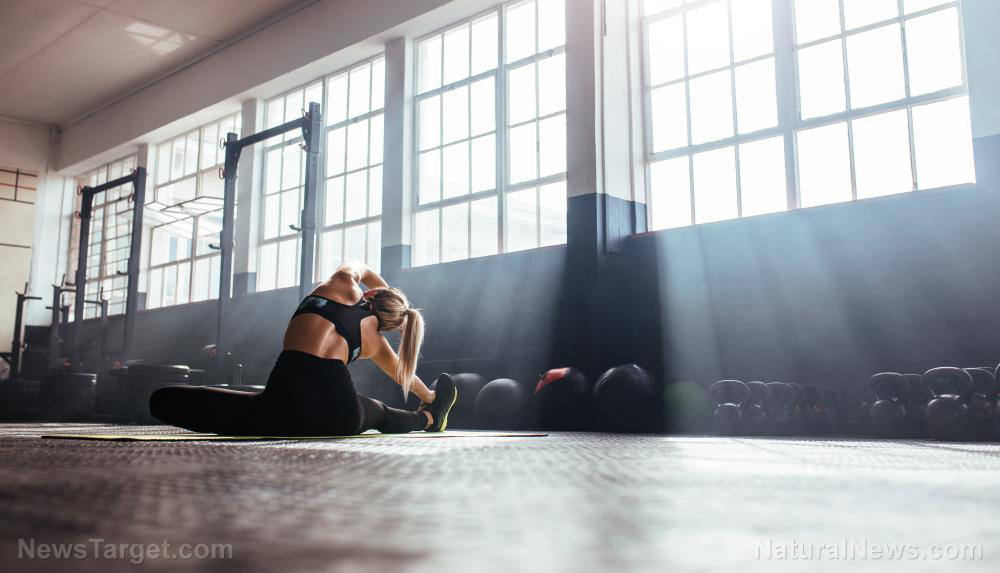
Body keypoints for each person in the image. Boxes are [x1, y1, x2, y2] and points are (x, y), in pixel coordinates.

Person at [150, 262, 457, 435]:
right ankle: (430, 418)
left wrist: (388, 291)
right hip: (339, 419)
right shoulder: (375, 342)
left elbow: (362, 267)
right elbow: (404, 375)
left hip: (280, 410)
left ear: (372, 293)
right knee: (376, 411)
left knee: (162, 399)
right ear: (387, 325)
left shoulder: (340, 284)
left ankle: (429, 414)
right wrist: (430, 397)